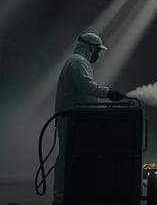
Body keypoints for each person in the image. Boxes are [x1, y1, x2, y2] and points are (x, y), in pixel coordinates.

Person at [53, 32, 125, 205]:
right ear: (90, 47)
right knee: (66, 161)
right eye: (97, 51)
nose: (98, 55)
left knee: (71, 159)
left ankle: (69, 198)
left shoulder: (76, 61)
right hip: (72, 120)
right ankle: (61, 199)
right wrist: (108, 93)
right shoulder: (78, 62)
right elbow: (86, 86)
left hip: (75, 120)